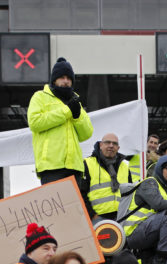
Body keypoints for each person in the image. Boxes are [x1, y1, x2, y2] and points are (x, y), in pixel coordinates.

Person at [27, 57, 93, 185]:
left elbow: (87, 134)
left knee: (73, 206)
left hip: (75, 167)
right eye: (62, 77)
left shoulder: (75, 102)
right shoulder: (40, 96)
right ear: (54, 79)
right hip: (51, 167)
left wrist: (77, 116)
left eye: (69, 78)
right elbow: (35, 123)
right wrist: (67, 111)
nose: (66, 81)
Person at [124, 155, 167, 264]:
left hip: (146, 230)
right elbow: (157, 204)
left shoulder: (166, 189)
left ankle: (149, 259)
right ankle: (163, 258)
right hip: (133, 232)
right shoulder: (149, 182)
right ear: (160, 169)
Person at [80, 132, 136, 221]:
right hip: (97, 218)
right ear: (100, 145)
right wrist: (92, 215)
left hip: (122, 217)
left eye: (114, 143)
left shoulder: (124, 166)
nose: (111, 145)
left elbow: (130, 193)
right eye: (107, 142)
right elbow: (81, 193)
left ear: (118, 148)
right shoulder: (87, 163)